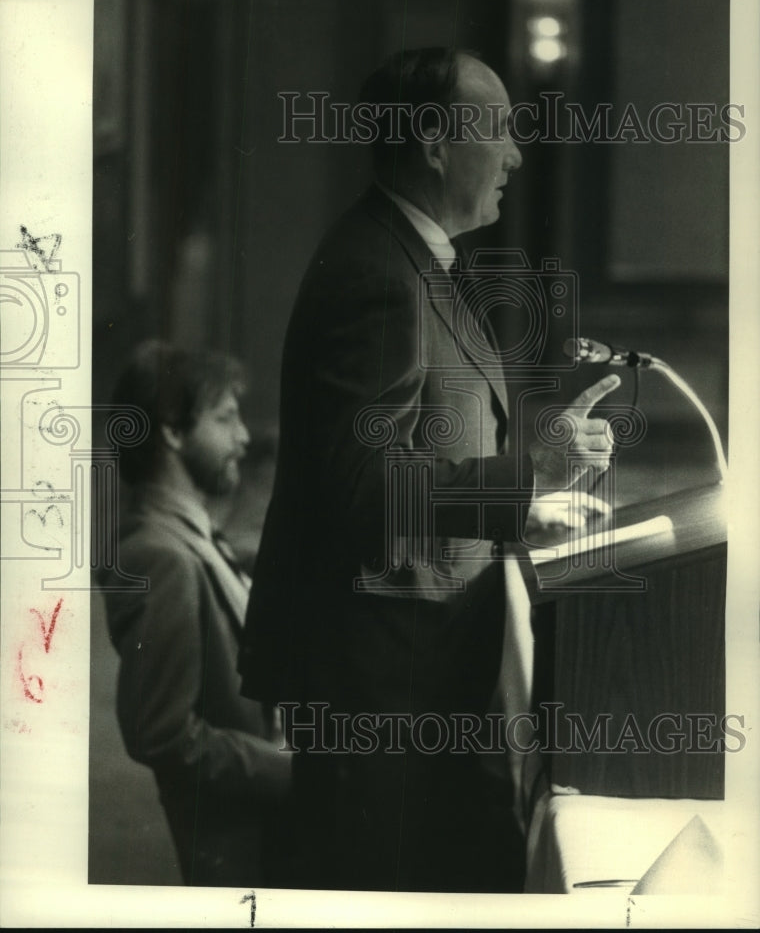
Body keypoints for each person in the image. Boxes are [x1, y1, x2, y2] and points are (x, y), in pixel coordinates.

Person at [238, 48, 619, 892]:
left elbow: (419, 457)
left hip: (418, 666)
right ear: (437, 142)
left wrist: (525, 507)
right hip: (385, 689)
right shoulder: (379, 275)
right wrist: (527, 474)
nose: (518, 154)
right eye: (502, 130)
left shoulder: (410, 255)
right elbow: (357, 487)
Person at [100, 340, 292, 887]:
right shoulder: (160, 556)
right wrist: (294, 770)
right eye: (226, 417)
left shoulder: (190, 535)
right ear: (173, 431)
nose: (244, 437)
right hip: (240, 848)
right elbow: (163, 736)